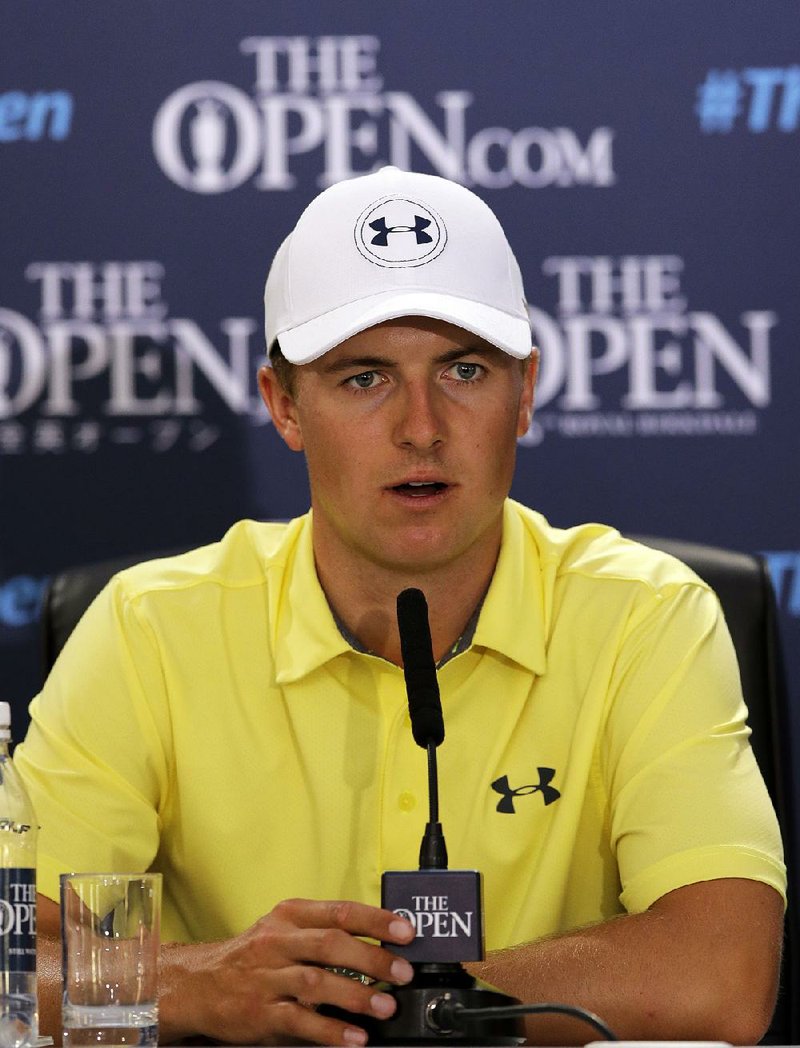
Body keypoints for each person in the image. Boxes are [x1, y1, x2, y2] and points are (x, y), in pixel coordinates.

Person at [19, 166, 784, 1046]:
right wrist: (200, 983)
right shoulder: (149, 628)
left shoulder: (644, 617)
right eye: (364, 378)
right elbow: (11, 966)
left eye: (464, 370)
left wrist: (397, 999)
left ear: (525, 393)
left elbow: (720, 976)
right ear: (285, 405)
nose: (422, 426)